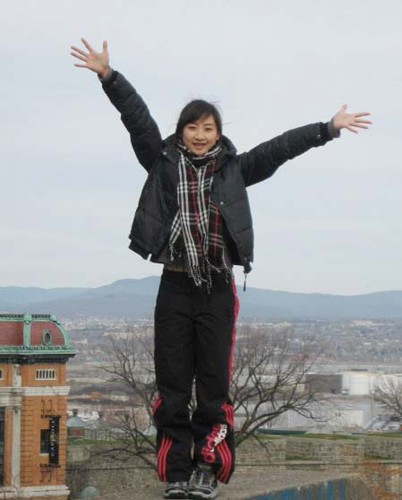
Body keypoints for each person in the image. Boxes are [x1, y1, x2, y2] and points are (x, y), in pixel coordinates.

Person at [71, 38, 371, 499]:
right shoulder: (161, 163)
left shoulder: (234, 170)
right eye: (191, 127)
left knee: (212, 386)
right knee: (173, 384)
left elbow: (279, 149)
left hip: (216, 288)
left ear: (218, 133)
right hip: (174, 286)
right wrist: (109, 77)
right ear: (181, 131)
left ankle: (207, 470)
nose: (199, 134)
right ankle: (176, 474)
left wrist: (327, 128)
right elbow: (137, 119)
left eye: (207, 128)